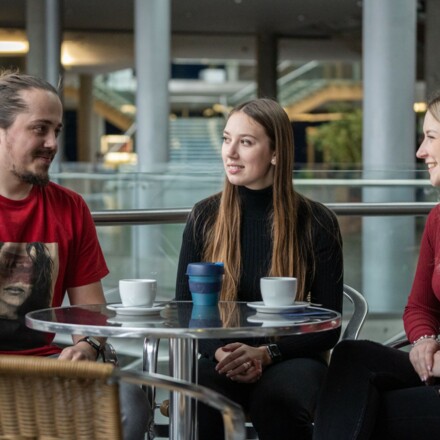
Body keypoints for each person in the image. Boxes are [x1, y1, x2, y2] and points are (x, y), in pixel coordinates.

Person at [175, 98, 343, 440]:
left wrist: (266, 354)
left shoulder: (316, 222)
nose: (230, 152)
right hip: (222, 355)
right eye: (227, 139)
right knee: (199, 393)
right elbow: (184, 310)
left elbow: (329, 326)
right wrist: (222, 353)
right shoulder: (204, 216)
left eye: (246, 142)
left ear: (276, 153)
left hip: (293, 357)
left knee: (277, 400)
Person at [0, 70, 151, 439]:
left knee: (130, 402)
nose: (52, 143)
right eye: (39, 129)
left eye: (57, 130)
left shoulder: (70, 208)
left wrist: (86, 347)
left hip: (46, 371)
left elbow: (91, 315)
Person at [312, 91, 440, 440]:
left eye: (430, 137)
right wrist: (424, 341)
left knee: (362, 411)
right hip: (435, 367)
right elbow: (419, 307)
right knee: (351, 356)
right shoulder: (437, 220)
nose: (420, 152)